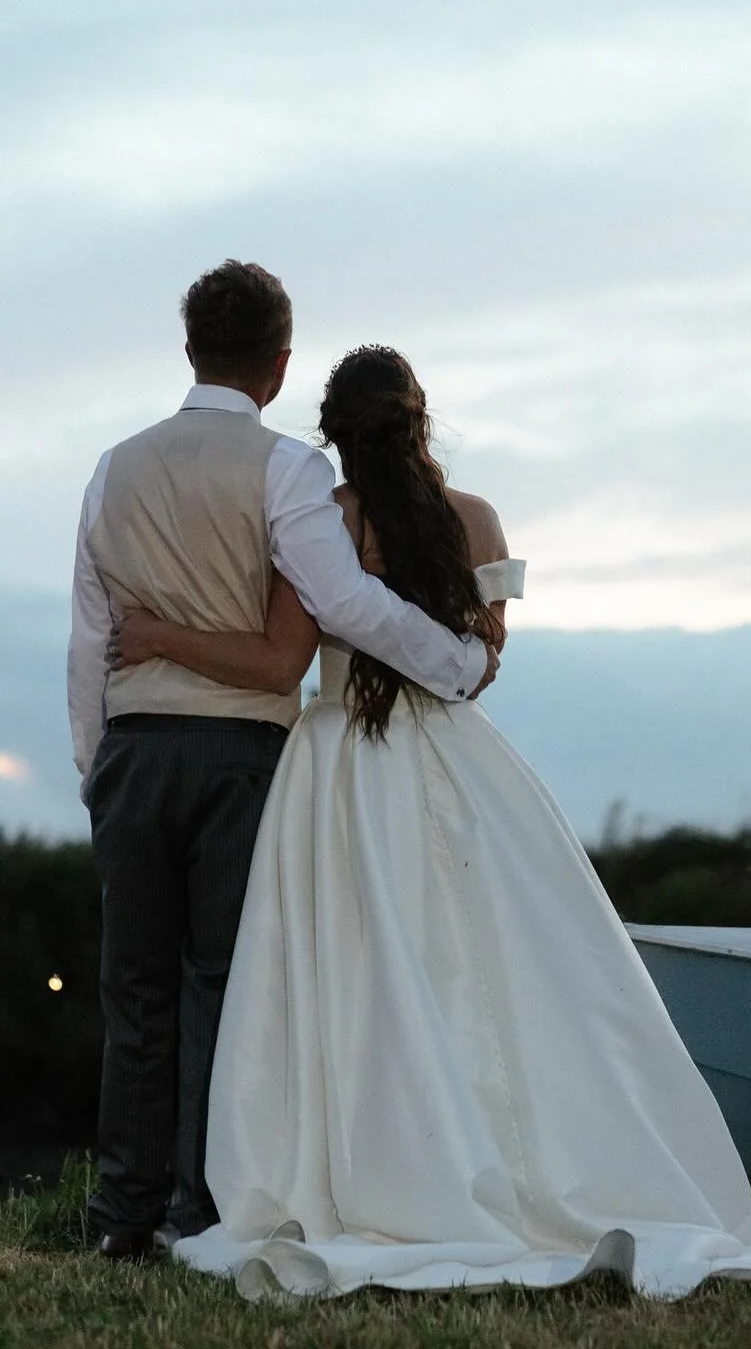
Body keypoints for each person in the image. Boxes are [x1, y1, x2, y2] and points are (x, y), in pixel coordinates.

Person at [110, 345, 751, 1301]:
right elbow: (485, 661)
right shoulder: (472, 520)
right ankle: (521, 1159)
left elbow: (284, 652)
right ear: (421, 420)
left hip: (339, 762)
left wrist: (154, 635)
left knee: (356, 966)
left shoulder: (330, 522)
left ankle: (377, 1160)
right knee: (492, 963)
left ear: (334, 435)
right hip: (457, 761)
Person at [69, 265, 499, 1261]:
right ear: (278, 363)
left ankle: (119, 1220)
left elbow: (91, 637)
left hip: (134, 750)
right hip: (239, 754)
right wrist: (457, 662)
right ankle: (204, 1208)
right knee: (225, 984)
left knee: (132, 991)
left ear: (189, 351)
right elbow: (342, 607)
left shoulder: (111, 468)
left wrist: (99, 764)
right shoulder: (287, 473)